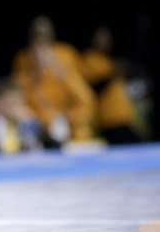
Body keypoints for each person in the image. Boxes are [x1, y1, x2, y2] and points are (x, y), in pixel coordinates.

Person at [10, 14, 97, 146]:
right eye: (37, 35)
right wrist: (34, 72)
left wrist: (59, 69)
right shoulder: (23, 59)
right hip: (35, 126)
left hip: (66, 124)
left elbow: (85, 97)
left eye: (45, 34)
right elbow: (15, 95)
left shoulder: (66, 53)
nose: (41, 39)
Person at [76, 25, 149, 144]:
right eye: (100, 36)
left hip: (124, 117)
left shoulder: (109, 61)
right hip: (108, 120)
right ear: (92, 38)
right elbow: (93, 88)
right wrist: (113, 73)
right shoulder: (88, 59)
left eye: (106, 36)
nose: (105, 40)